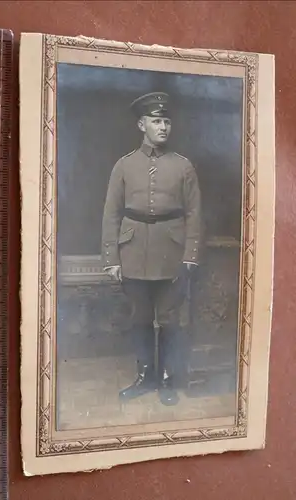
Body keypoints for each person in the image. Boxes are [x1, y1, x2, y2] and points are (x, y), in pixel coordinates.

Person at [101, 92, 201, 406]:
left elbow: (195, 213)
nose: (163, 127)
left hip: (172, 253)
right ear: (141, 124)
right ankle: (145, 378)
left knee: (170, 319)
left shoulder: (183, 167)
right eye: (156, 121)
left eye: (167, 121)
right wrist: (111, 258)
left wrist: (190, 255)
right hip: (132, 253)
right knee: (140, 319)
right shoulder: (124, 165)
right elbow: (111, 213)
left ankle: (168, 380)